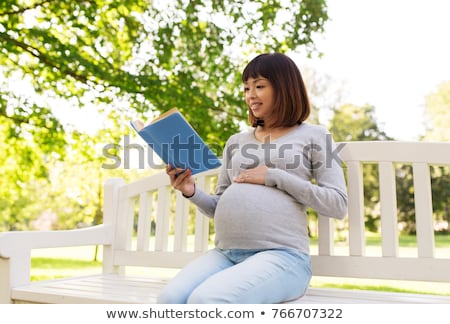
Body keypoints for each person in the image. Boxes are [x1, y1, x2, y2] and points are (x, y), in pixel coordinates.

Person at [158, 53, 348, 304]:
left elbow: (337, 204)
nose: (250, 95)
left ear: (285, 88)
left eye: (259, 86)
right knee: (169, 300)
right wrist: (191, 191)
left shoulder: (314, 136)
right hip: (226, 254)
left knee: (207, 302)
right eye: (247, 88)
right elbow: (219, 206)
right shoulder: (236, 142)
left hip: (283, 257)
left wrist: (275, 176)